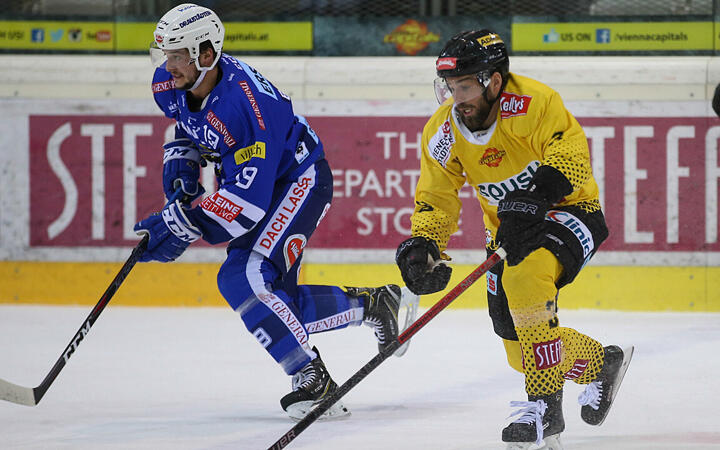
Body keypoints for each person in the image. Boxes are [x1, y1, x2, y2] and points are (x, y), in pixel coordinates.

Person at [133, 3, 417, 421]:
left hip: (297, 180)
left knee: (242, 277)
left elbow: (246, 206)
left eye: (176, 55)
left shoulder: (245, 108)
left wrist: (181, 224)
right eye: (165, 53)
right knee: (274, 302)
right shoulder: (173, 81)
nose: (166, 65)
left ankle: (311, 376)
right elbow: (185, 123)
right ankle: (375, 305)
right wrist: (181, 172)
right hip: (265, 181)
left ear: (206, 55)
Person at [395, 29, 634, 448]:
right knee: (518, 349)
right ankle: (601, 363)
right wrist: (425, 244)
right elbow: (436, 196)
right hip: (508, 231)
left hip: (570, 210)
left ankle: (544, 408)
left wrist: (538, 195)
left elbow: (571, 155)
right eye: (450, 87)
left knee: (523, 277)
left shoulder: (534, 103)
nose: (457, 97)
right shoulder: (443, 132)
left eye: (465, 86)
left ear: (494, 81)